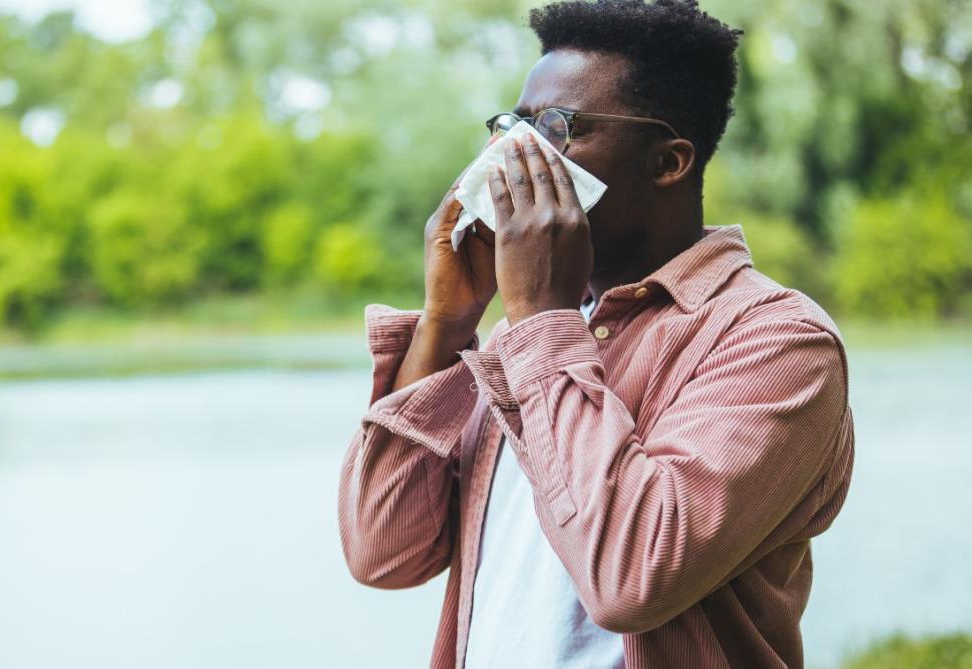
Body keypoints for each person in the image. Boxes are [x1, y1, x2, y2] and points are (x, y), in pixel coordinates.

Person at [335, 1, 855, 667]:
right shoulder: (515, 338)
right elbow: (383, 551)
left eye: (558, 128)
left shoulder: (778, 342)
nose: (516, 156)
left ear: (668, 161)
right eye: (514, 127)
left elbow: (632, 578)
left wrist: (543, 321)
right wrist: (447, 321)